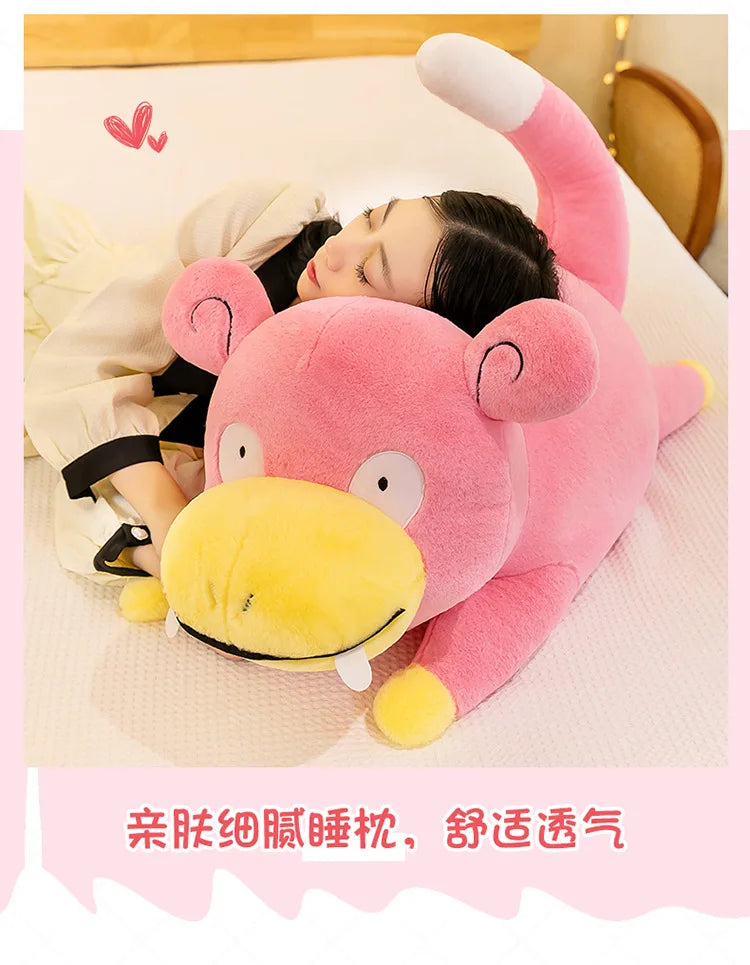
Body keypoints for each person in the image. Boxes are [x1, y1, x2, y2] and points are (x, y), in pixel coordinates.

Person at [24, 178, 559, 583]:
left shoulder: (362, 420)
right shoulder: (264, 225)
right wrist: (167, 518)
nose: (339, 251)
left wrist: (175, 551)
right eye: (371, 218)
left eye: (369, 273)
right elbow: (78, 365)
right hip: (55, 304)